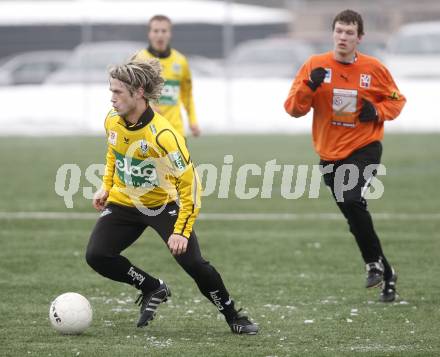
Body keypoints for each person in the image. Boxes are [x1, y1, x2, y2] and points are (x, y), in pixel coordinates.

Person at [85, 59, 258, 334]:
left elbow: (190, 186)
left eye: (118, 92)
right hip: (124, 201)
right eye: (111, 91)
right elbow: (113, 152)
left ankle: (233, 315)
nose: (112, 98)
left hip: (163, 205)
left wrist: (180, 230)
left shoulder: (165, 135)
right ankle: (152, 286)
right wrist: (106, 186)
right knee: (97, 255)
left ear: (139, 92)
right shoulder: (111, 120)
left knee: (193, 264)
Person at [284, 9, 406, 302]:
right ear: (333, 33)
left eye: (350, 32)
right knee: (354, 215)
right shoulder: (315, 66)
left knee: (352, 199)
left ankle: (373, 264)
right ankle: (386, 272)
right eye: (339, 31)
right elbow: (293, 109)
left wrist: (377, 111)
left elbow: (397, 99)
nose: (343, 37)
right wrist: (308, 86)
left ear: (359, 38)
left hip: (365, 146)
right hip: (329, 154)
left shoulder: (373, 68)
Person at [133, 14, 200, 138]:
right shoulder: (139, 60)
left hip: (176, 131)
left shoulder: (180, 61)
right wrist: (147, 105)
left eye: (164, 31)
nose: (160, 35)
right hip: (148, 130)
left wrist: (193, 120)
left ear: (169, 34)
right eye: (156, 31)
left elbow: (187, 95)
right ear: (149, 34)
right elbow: (132, 93)